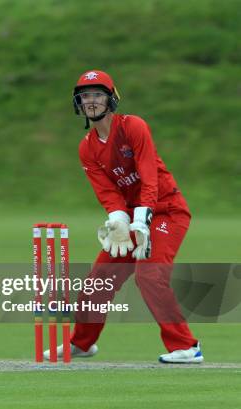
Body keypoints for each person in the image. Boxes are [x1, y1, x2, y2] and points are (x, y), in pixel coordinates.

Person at [44, 71, 202, 363]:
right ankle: (82, 343)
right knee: (98, 281)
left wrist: (143, 218)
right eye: (85, 96)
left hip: (166, 210)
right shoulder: (87, 148)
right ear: (79, 103)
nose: (91, 101)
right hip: (131, 217)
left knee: (150, 275)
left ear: (111, 98)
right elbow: (107, 192)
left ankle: (187, 347)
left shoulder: (133, 126)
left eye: (97, 95)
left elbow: (148, 174)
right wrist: (118, 221)